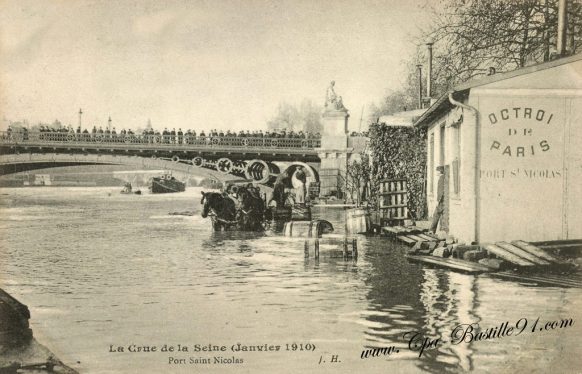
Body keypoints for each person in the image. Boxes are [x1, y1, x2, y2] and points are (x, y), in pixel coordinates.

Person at [430, 166, 445, 233]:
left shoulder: (441, 178)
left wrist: (438, 201)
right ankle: (440, 230)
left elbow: (440, 191)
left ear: (439, 171)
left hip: (441, 201)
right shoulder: (444, 178)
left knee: (436, 214)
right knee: (441, 216)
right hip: (443, 200)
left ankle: (432, 230)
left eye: (437, 171)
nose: (436, 172)